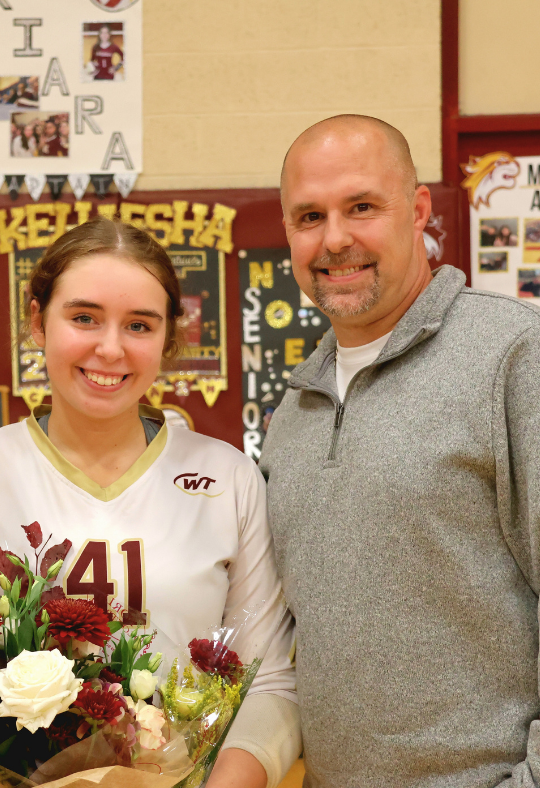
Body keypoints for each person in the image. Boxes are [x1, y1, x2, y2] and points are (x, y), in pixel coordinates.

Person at [0, 218, 300, 788]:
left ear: (167, 339)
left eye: (139, 324)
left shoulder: (227, 477)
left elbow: (270, 684)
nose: (110, 348)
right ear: (38, 321)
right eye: (83, 317)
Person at [260, 114, 540, 787]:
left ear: (417, 211)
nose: (335, 240)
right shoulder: (294, 412)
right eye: (308, 217)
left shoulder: (514, 355)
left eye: (361, 207)